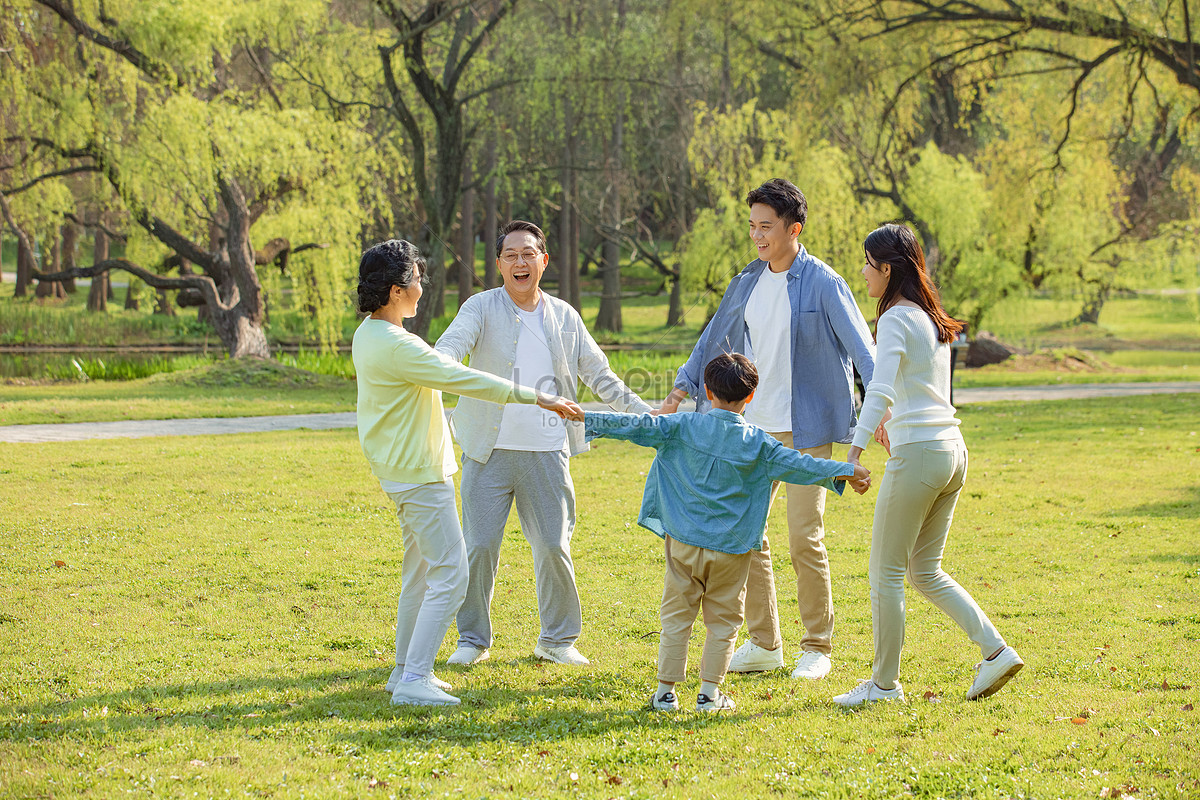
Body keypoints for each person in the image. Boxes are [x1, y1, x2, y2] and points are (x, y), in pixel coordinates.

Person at [659, 179, 876, 681]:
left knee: (804, 536)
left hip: (805, 428)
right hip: (752, 428)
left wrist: (879, 409)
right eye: (752, 226)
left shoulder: (823, 282)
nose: (757, 235)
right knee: (745, 534)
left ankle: (817, 645)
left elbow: (863, 350)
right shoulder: (747, 280)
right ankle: (764, 643)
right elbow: (712, 337)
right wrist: (680, 389)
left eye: (766, 226)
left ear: (793, 228)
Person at [351, 239, 580, 707]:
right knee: (452, 576)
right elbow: (467, 379)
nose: (422, 286)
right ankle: (415, 678)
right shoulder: (397, 346)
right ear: (397, 290)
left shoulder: (369, 334)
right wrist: (539, 396)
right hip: (419, 476)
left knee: (420, 574)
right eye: (417, 278)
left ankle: (404, 672)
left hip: (404, 471)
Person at [577, 354, 870, 712]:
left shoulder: (681, 426)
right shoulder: (761, 445)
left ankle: (665, 693)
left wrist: (584, 416)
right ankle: (709, 695)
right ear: (750, 397)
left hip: (683, 545)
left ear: (707, 390)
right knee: (724, 623)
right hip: (731, 551)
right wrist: (846, 471)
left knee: (676, 618)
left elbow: (635, 426)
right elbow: (801, 466)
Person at [434, 220, 653, 667]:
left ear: (543, 260)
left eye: (528, 254)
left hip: (548, 451)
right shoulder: (480, 307)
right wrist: (437, 364)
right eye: (510, 255)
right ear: (498, 264)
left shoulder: (564, 315)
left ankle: (557, 640)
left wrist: (644, 416)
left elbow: (599, 374)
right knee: (478, 548)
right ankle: (472, 640)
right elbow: (452, 346)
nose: (520, 262)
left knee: (554, 546)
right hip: (487, 449)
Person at [832, 224, 1023, 707]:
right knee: (924, 569)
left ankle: (883, 686)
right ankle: (995, 651)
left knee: (885, 573)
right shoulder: (928, 317)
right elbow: (909, 388)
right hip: (951, 452)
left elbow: (880, 387)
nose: (863, 272)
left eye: (868, 264)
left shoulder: (896, 317)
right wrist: (886, 424)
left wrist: (852, 456)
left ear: (888, 268)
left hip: (918, 456)